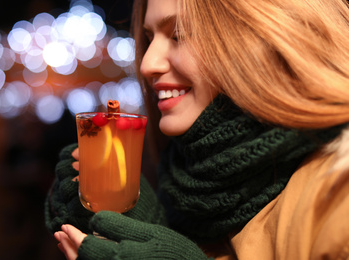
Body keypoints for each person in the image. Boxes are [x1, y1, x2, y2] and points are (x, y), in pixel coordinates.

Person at [45, 0, 349, 259]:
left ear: (264, 38)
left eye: (179, 34)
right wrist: (145, 223)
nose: (147, 64)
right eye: (149, 38)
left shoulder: (338, 193)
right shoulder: (182, 182)